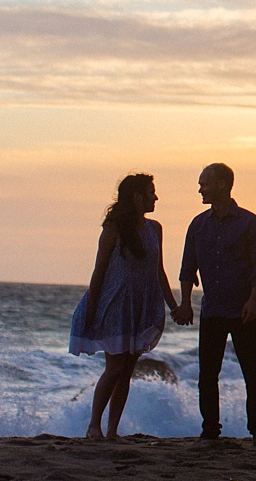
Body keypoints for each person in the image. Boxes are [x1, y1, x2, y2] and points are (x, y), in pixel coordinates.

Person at [69, 172, 185, 441]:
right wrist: (91, 310)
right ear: (136, 196)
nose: (155, 197)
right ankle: (93, 426)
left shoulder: (155, 229)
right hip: (116, 303)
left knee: (127, 370)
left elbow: (159, 271)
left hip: (142, 305)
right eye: (150, 191)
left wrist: (173, 306)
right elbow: (99, 270)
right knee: (115, 367)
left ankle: (112, 430)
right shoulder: (114, 227)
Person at [175, 162, 256, 444]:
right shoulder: (198, 224)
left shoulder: (249, 222)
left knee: (253, 373)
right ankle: (210, 429)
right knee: (207, 374)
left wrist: (253, 301)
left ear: (222, 185)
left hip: (244, 311)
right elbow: (187, 269)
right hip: (212, 310)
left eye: (204, 184)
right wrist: (185, 303)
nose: (200, 189)